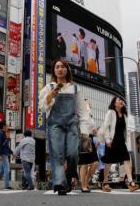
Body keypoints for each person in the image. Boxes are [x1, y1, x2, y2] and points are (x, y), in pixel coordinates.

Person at [38, 58, 89, 195]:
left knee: (72, 154)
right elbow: (42, 107)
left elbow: (83, 112)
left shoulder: (76, 88)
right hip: (55, 125)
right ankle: (59, 184)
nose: (60, 69)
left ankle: (68, 176)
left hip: (72, 125)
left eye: (63, 66)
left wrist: (85, 133)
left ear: (67, 70)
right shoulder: (48, 88)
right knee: (57, 154)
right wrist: (50, 96)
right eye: (57, 67)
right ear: (54, 71)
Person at [101, 96, 139, 192]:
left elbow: (127, 129)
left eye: (121, 100)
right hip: (112, 140)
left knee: (126, 160)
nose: (121, 101)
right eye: (118, 100)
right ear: (114, 103)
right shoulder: (111, 112)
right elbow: (105, 126)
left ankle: (131, 182)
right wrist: (107, 139)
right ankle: (105, 182)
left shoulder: (125, 115)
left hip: (121, 141)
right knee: (109, 162)